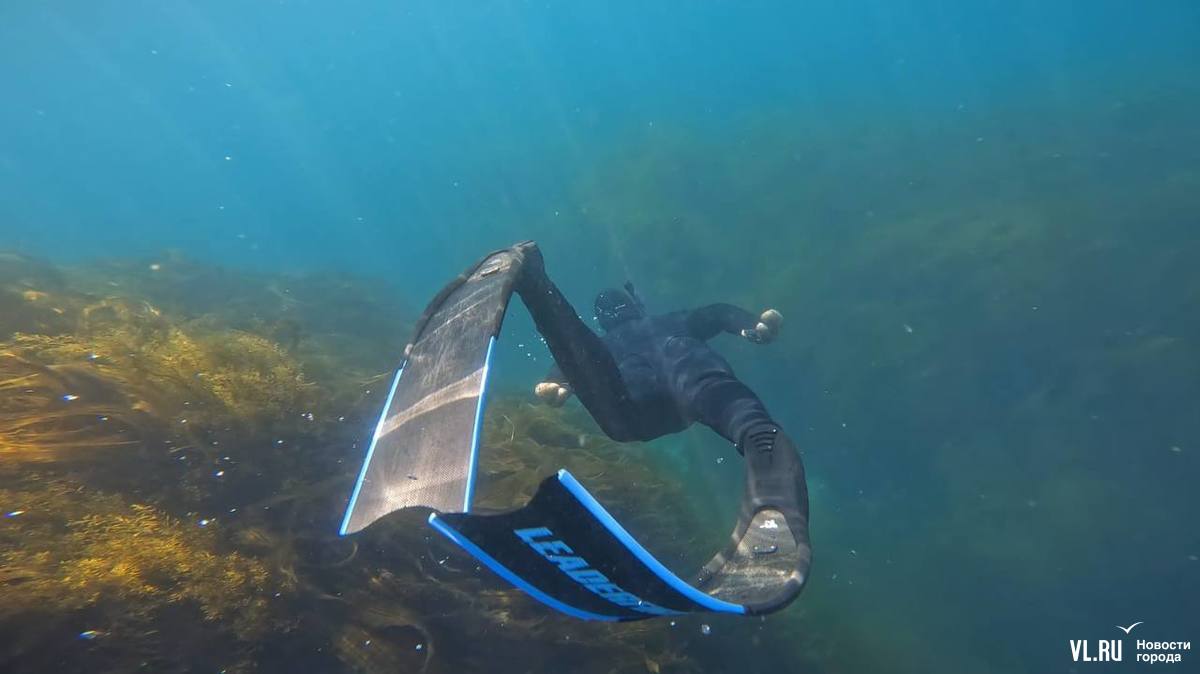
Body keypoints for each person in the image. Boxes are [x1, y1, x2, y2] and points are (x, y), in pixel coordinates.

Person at [509, 241, 806, 478]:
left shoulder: (606, 344)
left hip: (629, 418)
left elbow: (579, 356)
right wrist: (749, 324)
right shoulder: (668, 323)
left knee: (587, 355)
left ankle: (535, 286)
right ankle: (761, 440)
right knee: (684, 354)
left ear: (602, 322)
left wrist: (559, 379)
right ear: (635, 306)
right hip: (694, 395)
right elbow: (716, 313)